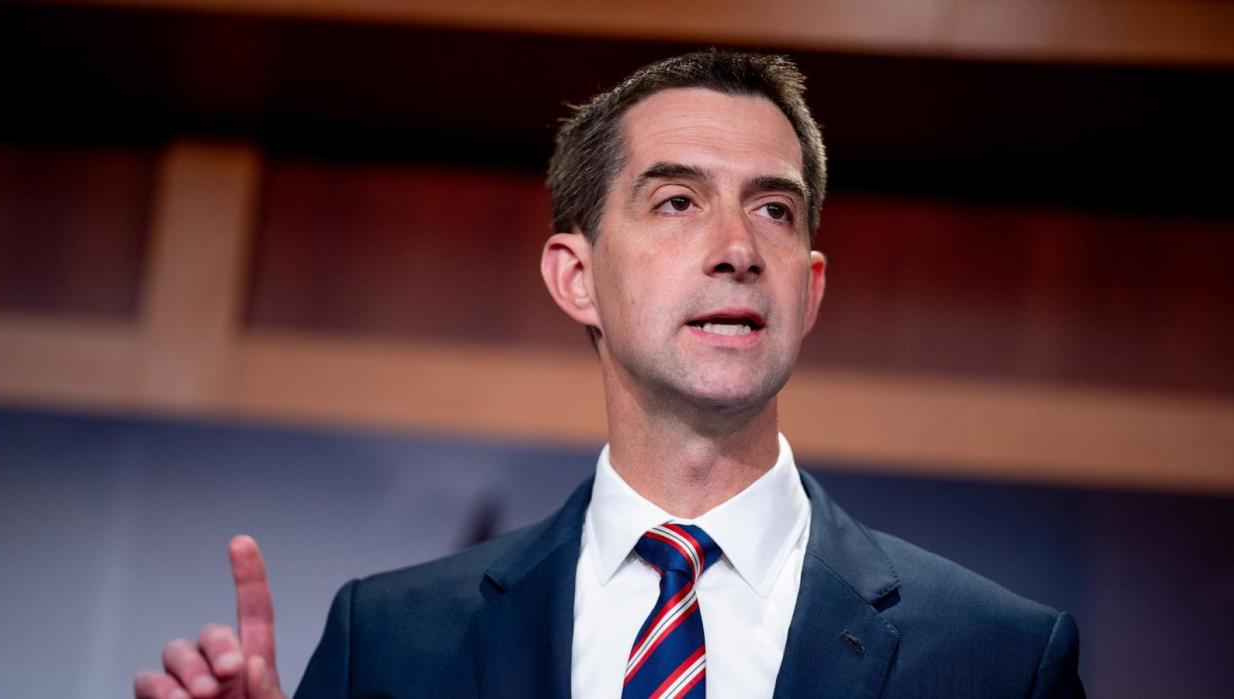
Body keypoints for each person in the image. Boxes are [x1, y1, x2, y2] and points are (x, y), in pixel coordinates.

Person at [134, 51, 1084, 699]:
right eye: (677, 201)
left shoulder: (999, 658)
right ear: (576, 276)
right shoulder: (387, 641)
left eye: (776, 212)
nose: (737, 249)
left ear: (810, 289)